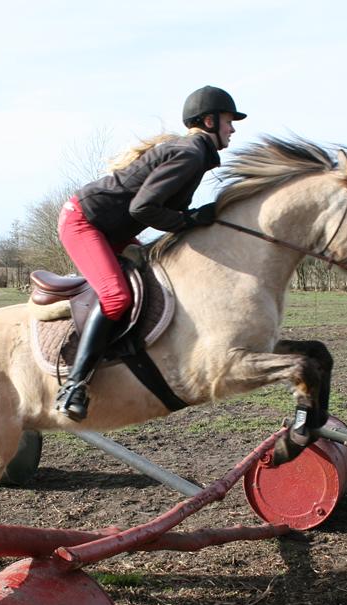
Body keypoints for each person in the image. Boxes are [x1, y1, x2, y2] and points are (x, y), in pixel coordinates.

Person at [54, 85, 246, 421]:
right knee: (115, 297)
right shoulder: (190, 154)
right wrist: (186, 219)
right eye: (230, 121)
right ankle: (74, 385)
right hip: (84, 222)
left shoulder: (194, 154)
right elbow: (144, 208)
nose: (233, 128)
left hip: (113, 229)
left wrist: (191, 220)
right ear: (210, 120)